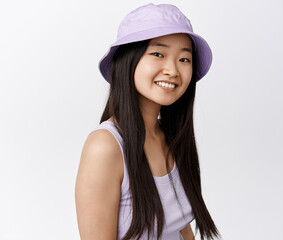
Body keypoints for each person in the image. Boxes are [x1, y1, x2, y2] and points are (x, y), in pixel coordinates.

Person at [75, 3, 220, 240]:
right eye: (157, 54)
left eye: (184, 59)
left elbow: (181, 229)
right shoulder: (105, 147)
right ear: (128, 60)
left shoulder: (172, 138)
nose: (173, 70)